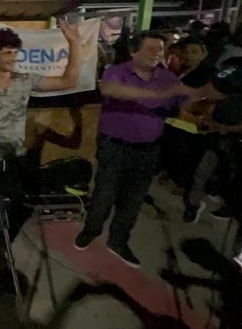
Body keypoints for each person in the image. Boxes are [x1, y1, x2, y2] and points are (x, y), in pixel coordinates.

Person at [0, 22, 81, 277]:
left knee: (12, 204)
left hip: (14, 157)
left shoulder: (25, 80)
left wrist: (74, 42)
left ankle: (0, 248)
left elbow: (69, 81)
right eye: (7, 52)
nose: (13, 57)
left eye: (16, 52)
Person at [75, 31, 192, 268]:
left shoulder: (168, 78)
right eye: (150, 49)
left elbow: (181, 106)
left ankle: (118, 241)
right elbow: (113, 91)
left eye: (160, 49)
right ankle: (91, 230)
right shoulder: (116, 73)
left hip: (148, 150)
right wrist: (160, 96)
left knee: (133, 200)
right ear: (133, 51)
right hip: (114, 147)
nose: (156, 54)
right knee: (104, 196)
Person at [157, 37, 216, 222]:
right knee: (172, 148)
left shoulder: (208, 75)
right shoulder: (179, 69)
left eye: (194, 52)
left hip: (191, 124)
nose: (190, 56)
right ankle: (171, 174)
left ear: (204, 53)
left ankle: (184, 186)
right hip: (174, 119)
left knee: (186, 155)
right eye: (187, 52)